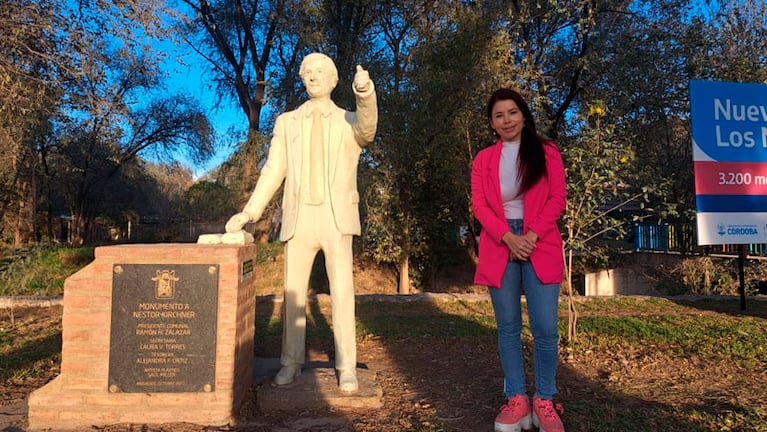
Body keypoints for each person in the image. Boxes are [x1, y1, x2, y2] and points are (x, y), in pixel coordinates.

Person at [225, 53, 377, 392]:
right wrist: (250, 213)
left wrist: (365, 93)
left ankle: (347, 367)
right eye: (307, 73)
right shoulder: (287, 123)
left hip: (336, 217)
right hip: (300, 216)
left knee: (342, 293)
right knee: (293, 295)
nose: (313, 77)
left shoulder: (349, 121)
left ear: (335, 79)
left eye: (320, 72)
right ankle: (290, 363)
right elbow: (272, 171)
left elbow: (368, 129)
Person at [471, 88, 567, 432]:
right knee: (508, 327)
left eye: (512, 112)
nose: (507, 120)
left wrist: (530, 237)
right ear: (492, 123)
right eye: (499, 115)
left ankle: (544, 398)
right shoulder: (483, 159)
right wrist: (508, 237)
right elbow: (480, 206)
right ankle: (516, 398)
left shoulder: (548, 153)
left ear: (523, 115)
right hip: (500, 242)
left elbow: (557, 199)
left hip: (540, 240)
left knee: (545, 327)